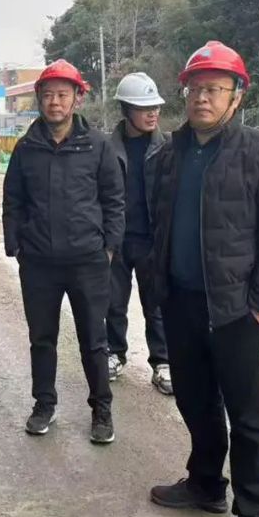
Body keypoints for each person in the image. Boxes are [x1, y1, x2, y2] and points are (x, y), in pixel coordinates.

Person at [147, 41, 259, 517]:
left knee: (248, 417)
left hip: (236, 310)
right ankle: (206, 483)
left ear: (237, 97)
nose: (202, 98)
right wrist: (157, 282)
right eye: (195, 88)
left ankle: (254, 514)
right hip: (182, 302)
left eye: (214, 88)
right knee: (195, 401)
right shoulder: (170, 153)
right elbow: (158, 224)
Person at [2, 59, 126, 444]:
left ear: (77, 99)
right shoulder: (27, 148)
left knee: (94, 339)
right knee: (42, 338)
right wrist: (16, 246)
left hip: (88, 262)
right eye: (48, 95)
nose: (55, 102)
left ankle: (101, 410)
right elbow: (13, 200)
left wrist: (109, 247)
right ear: (39, 99)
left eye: (62, 94)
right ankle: (44, 405)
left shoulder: (98, 146)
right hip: (39, 263)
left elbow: (114, 200)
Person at [106, 72, 172, 395]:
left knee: (156, 305)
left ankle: (163, 362)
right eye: (144, 108)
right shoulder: (107, 149)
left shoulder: (168, 148)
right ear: (126, 110)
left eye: (155, 107)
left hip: (152, 241)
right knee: (113, 302)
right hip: (117, 241)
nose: (152, 113)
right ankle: (114, 353)